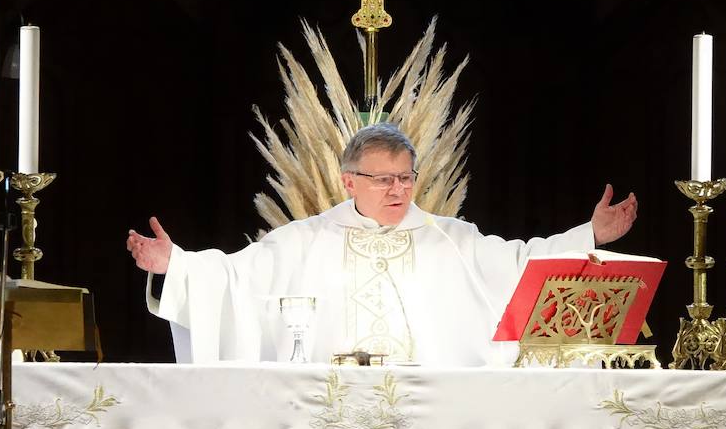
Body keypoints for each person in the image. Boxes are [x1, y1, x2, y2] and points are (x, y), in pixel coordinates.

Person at [127, 122, 639, 365]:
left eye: (405, 178)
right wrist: (176, 265)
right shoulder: (304, 241)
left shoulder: (450, 239)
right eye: (382, 180)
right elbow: (235, 279)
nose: (398, 190)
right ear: (348, 181)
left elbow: (525, 263)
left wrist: (590, 235)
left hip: (428, 415)